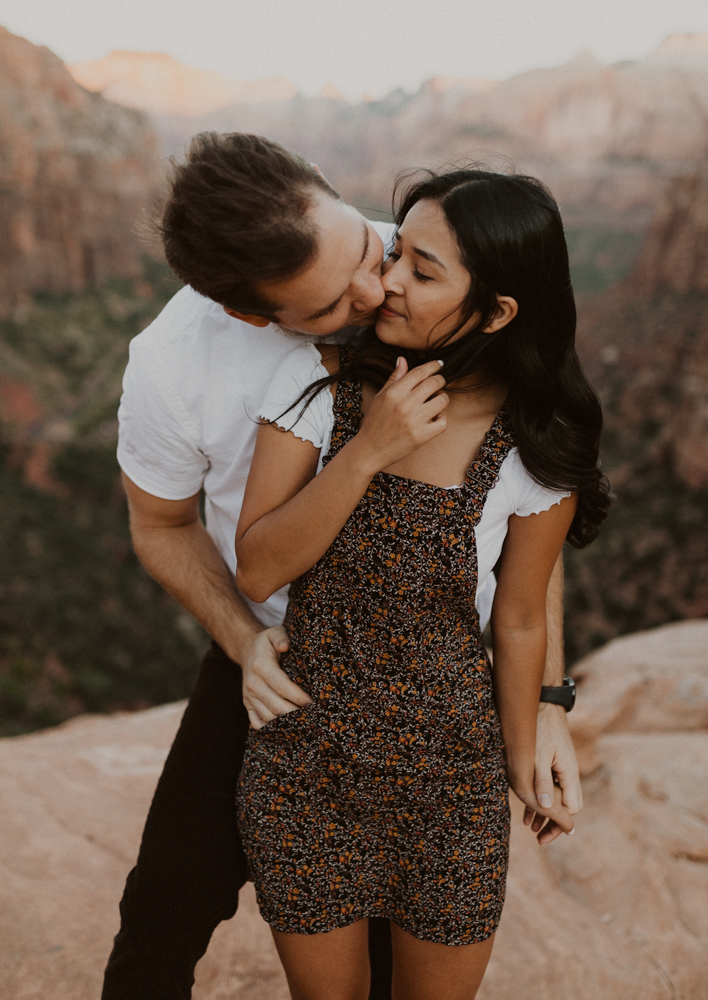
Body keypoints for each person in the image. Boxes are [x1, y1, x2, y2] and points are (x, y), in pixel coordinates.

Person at [103, 135, 583, 1000]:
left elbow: (527, 525)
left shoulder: (429, 263)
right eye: (332, 305)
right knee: (166, 910)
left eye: (375, 252)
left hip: (437, 684)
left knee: (410, 950)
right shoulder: (183, 367)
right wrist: (246, 642)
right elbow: (164, 527)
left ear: (333, 196)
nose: (375, 294)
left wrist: (547, 701)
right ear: (258, 314)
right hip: (280, 658)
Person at [233, 167, 611, 1000]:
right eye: (397, 253)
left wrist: (527, 759)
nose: (388, 282)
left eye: (423, 271)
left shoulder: (534, 442)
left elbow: (517, 621)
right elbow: (258, 564)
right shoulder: (321, 381)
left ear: (498, 310)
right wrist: (370, 448)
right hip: (307, 771)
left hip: (451, 790)